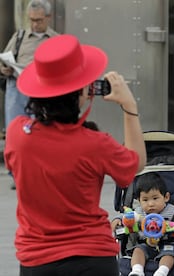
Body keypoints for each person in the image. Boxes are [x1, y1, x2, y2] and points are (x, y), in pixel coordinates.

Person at [3, 34, 147, 276]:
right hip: (92, 259)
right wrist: (129, 107)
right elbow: (136, 164)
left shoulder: (17, 133)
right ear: (82, 94)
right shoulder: (96, 144)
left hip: (36, 260)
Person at [0, 0, 58, 189]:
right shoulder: (20, 36)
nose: (34, 24)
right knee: (15, 131)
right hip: (17, 87)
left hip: (42, 90)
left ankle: (37, 173)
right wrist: (5, 68)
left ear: (48, 18)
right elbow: (5, 59)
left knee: (40, 132)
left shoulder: (55, 40)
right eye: (31, 20)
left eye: (39, 20)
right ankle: (17, 174)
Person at [111, 172, 174, 276]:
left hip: (170, 243)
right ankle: (137, 270)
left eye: (155, 198)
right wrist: (118, 220)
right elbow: (125, 217)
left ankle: (162, 272)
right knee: (138, 250)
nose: (150, 204)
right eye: (145, 200)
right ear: (139, 200)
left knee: (169, 254)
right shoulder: (138, 212)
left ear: (166, 197)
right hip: (146, 244)